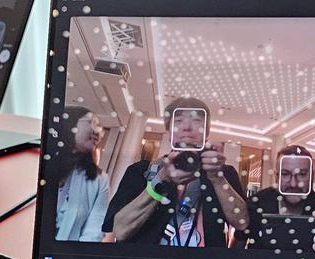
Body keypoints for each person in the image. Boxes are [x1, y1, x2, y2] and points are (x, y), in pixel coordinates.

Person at [102, 98, 250, 247]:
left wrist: (218, 180)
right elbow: (120, 231)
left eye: (197, 121)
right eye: (178, 121)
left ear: (206, 131)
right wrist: (160, 180)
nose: (187, 127)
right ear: (169, 130)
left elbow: (242, 224)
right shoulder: (141, 171)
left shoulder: (224, 173)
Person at [246, 145, 315, 255]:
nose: (294, 183)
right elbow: (239, 241)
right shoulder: (257, 202)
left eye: (302, 174)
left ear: (312, 176)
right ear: (276, 177)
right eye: (285, 174)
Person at [51, 106, 110, 241]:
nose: (98, 131)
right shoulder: (43, 161)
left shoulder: (100, 180)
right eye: (91, 122)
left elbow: (94, 232)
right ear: (70, 125)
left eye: (99, 126)